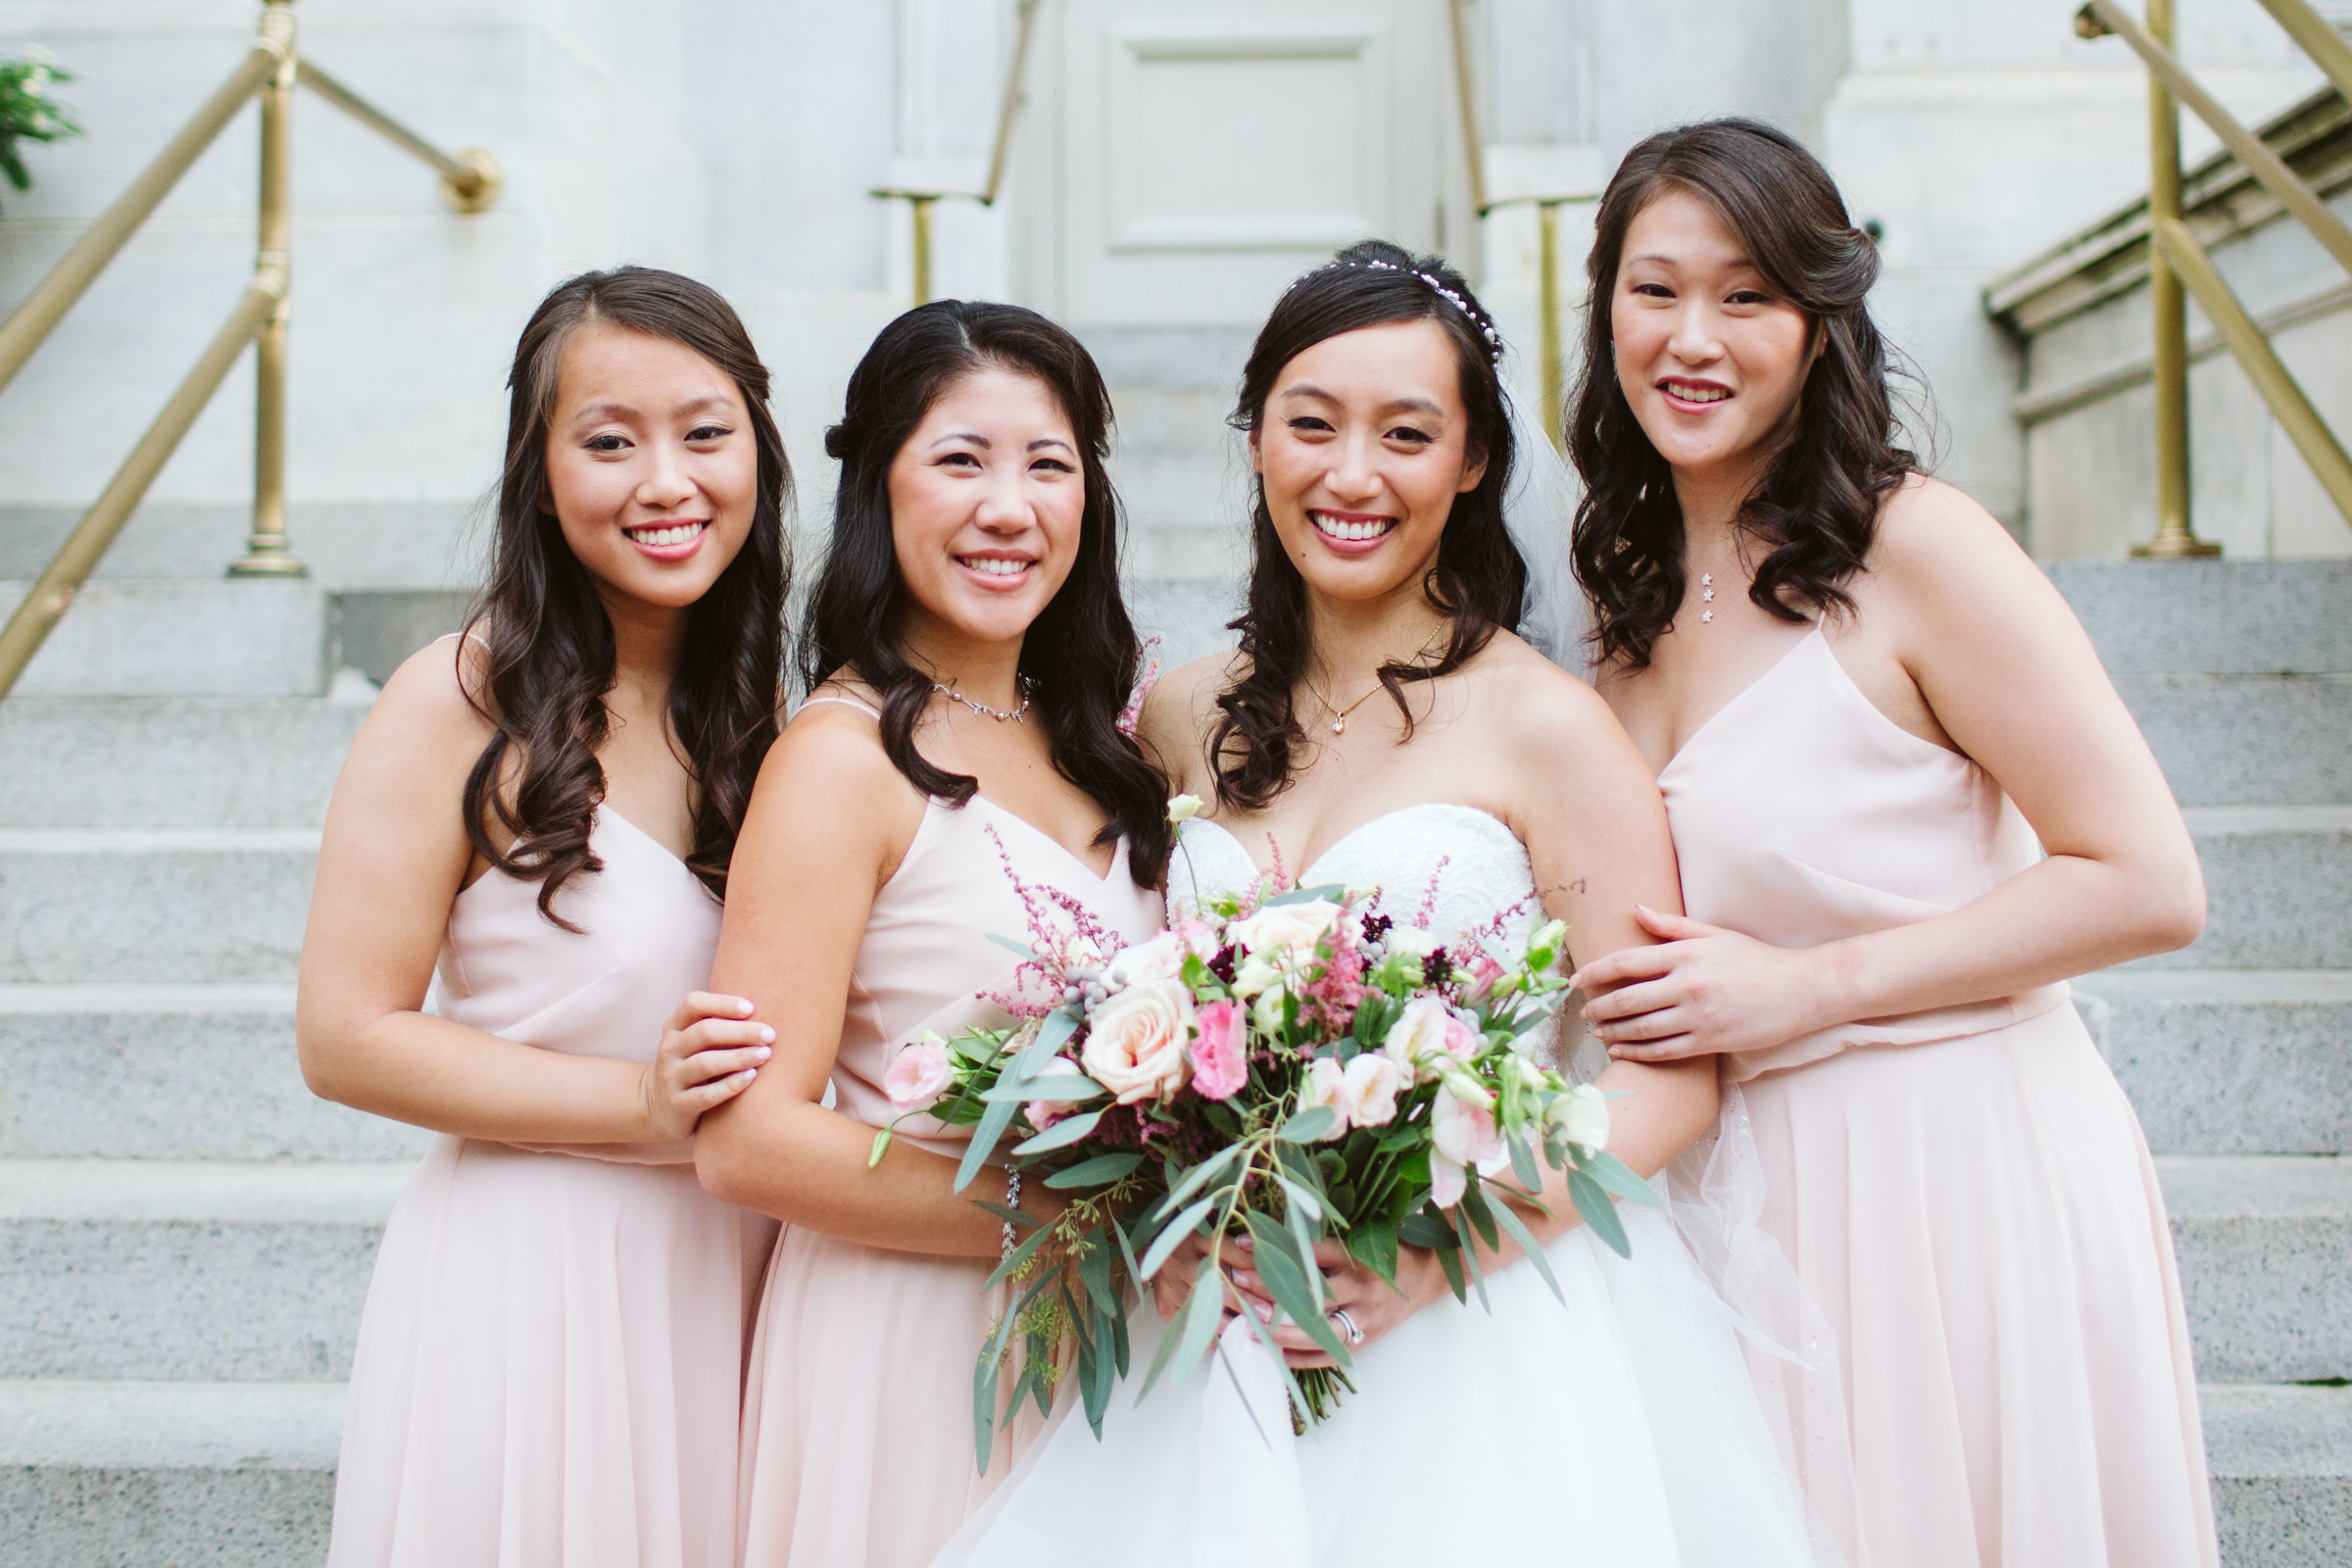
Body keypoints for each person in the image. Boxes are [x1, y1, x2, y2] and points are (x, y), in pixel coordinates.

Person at [936, 240, 1823, 1568]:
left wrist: (1433, 1247)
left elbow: (1668, 1083)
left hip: (1474, 1325)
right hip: (1216, 1324)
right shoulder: (1183, 715)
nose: (1352, 477)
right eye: (1312, 425)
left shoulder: (1550, 731)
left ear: (1470, 464)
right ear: (1256, 441)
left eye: (1407, 434)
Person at [1562, 119, 2219, 1568]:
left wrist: (1813, 986)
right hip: (1739, 1207)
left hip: (1951, 1174)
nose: (1693, 337)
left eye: (1747, 297)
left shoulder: (1915, 547)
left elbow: (2149, 880)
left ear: (1818, 326)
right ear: (1603, 303)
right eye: (1654, 289)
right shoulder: (1625, 589)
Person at [297, 266, 793, 1566]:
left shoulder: (767, 719)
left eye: (704, 432)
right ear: (540, 467)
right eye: (609, 441)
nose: (667, 483)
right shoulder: (456, 700)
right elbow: (345, 1036)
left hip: (737, 1275)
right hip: (536, 1289)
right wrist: (637, 1106)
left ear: (760, 447)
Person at [695, 300, 1172, 1568]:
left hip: (1111, 1348)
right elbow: (746, 1140)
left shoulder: (1112, 751)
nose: (1009, 507)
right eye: (961, 460)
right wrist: (1078, 1212)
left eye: (1048, 464)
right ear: (880, 488)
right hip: (910, 1350)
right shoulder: (839, 762)